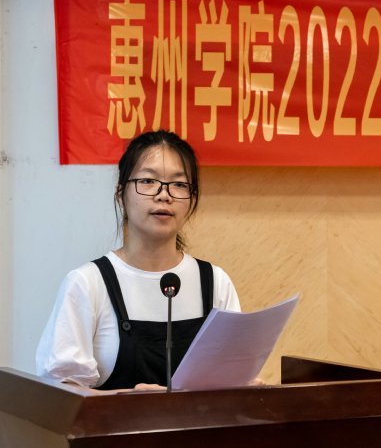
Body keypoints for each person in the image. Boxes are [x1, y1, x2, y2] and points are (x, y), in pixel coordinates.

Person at [36, 130, 241, 391]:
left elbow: (231, 376)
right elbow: (61, 394)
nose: (164, 195)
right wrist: (128, 399)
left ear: (192, 199)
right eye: (147, 181)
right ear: (121, 195)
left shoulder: (215, 282)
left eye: (179, 184)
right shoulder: (88, 283)